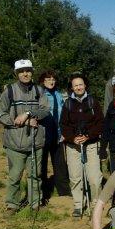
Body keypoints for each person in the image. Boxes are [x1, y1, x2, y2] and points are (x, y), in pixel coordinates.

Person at [0, 59, 50, 214]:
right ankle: (12, 205)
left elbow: (45, 110)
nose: (25, 74)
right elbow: (1, 115)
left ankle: (35, 203)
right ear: (16, 73)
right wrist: (21, 122)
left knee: (35, 175)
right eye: (21, 71)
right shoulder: (9, 91)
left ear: (31, 72)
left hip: (36, 140)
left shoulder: (39, 91)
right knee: (15, 176)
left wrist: (29, 114)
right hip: (15, 143)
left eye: (28, 70)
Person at [60, 73, 104, 217]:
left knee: (94, 177)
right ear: (72, 88)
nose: (78, 87)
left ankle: (95, 203)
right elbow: (64, 125)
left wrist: (88, 136)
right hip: (73, 146)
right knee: (75, 177)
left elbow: (99, 123)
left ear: (85, 85)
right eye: (75, 85)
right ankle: (78, 205)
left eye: (80, 84)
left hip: (91, 144)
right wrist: (73, 138)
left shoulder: (93, 102)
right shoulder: (67, 104)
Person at [38, 70, 71, 201]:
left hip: (58, 134)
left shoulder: (58, 95)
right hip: (44, 134)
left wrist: (63, 132)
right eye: (48, 79)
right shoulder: (40, 94)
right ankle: (44, 192)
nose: (51, 81)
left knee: (60, 164)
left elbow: (63, 115)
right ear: (42, 81)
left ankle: (63, 191)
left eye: (53, 79)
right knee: (43, 164)